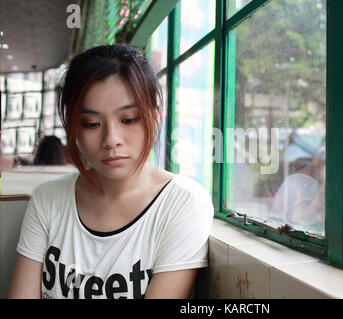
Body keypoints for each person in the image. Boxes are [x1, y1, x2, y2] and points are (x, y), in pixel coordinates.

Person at [8, 45, 214, 299]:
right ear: (72, 125)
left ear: (154, 113)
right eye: (92, 124)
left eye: (128, 119)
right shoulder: (47, 200)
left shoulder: (182, 204)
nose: (111, 139)